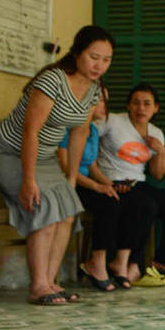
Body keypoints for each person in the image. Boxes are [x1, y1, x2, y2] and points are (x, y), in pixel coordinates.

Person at [0, 25, 111, 305]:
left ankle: (51, 282)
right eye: (94, 57)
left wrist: (71, 178)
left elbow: (79, 132)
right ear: (77, 52)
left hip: (44, 156)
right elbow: (31, 131)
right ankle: (37, 286)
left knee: (67, 209)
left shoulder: (93, 90)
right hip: (8, 152)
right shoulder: (53, 80)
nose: (99, 65)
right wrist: (28, 180)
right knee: (45, 206)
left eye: (106, 59)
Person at [95, 83, 165, 288]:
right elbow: (85, 138)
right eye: (135, 103)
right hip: (112, 181)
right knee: (145, 205)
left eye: (146, 104)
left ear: (155, 108)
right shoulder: (112, 121)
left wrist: (160, 152)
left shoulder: (155, 133)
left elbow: (158, 174)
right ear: (128, 105)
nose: (141, 108)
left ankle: (162, 260)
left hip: (138, 183)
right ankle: (132, 263)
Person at [55, 86, 126, 292]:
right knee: (108, 205)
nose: (105, 106)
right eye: (100, 100)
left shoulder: (93, 130)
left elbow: (92, 166)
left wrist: (107, 184)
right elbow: (66, 166)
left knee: (119, 199)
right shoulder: (69, 127)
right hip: (68, 183)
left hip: (86, 182)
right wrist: (96, 186)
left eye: (105, 100)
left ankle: (110, 261)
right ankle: (97, 261)